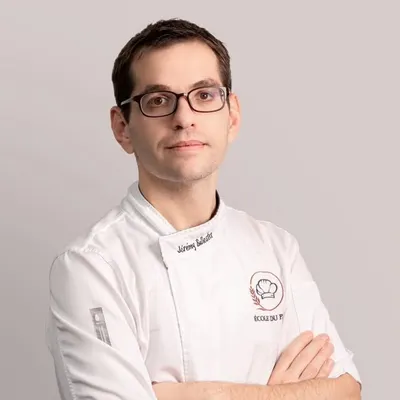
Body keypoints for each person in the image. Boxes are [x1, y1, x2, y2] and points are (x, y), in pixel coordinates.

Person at [46, 18, 361, 400]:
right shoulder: (91, 266)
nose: (184, 118)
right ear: (122, 128)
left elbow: (347, 390)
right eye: (158, 100)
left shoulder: (276, 249)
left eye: (205, 95)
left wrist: (192, 394)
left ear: (232, 116)